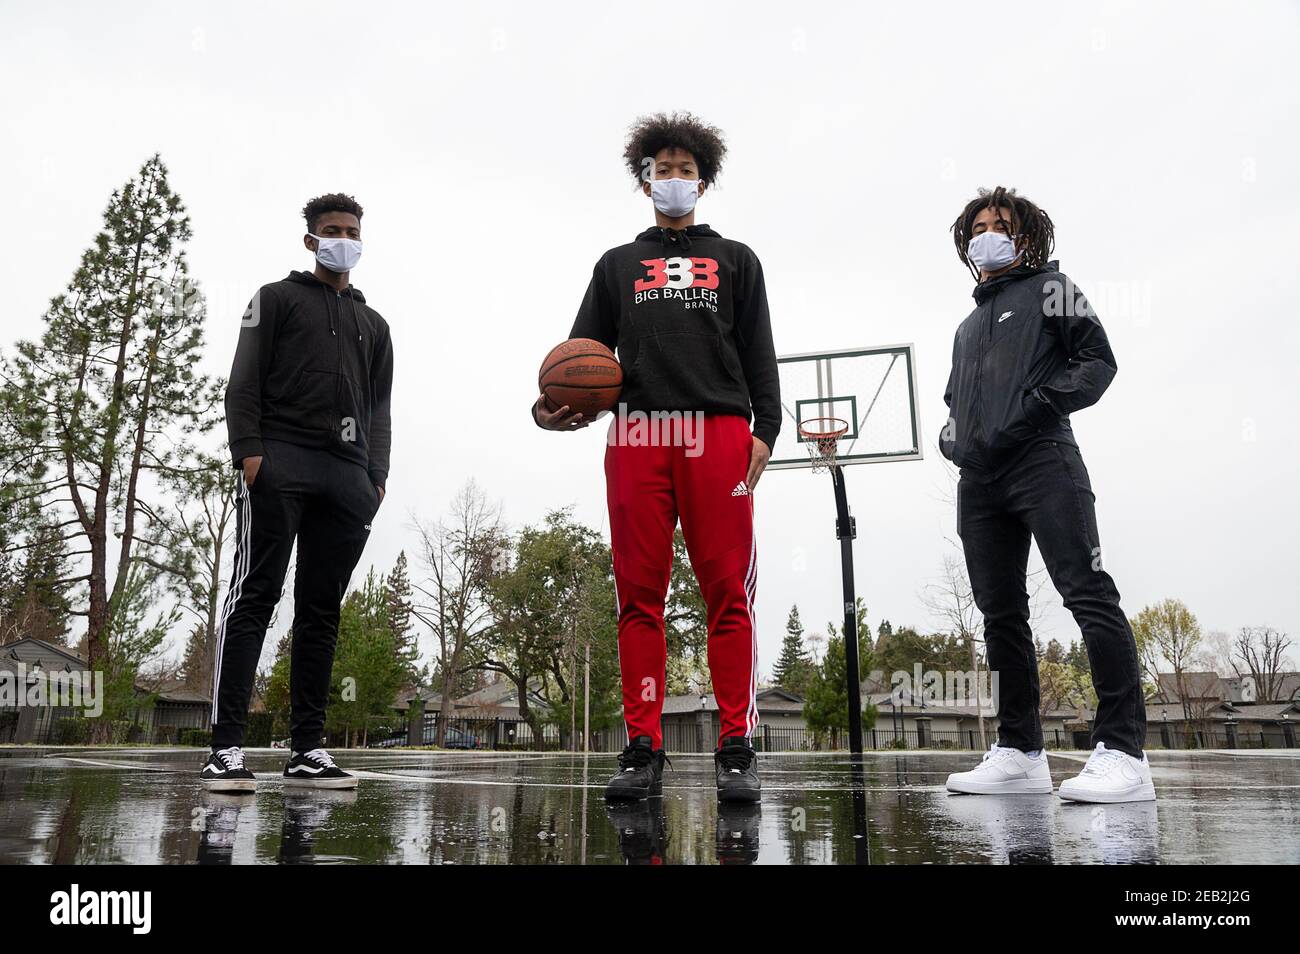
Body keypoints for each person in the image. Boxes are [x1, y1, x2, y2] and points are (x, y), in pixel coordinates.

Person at [533, 112, 780, 803]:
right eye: (662, 168)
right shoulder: (616, 264)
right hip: (639, 435)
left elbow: (760, 353)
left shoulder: (738, 260)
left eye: (685, 168)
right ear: (645, 181)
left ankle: (735, 744)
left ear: (704, 178)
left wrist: (769, 429)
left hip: (720, 434)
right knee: (638, 598)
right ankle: (643, 747)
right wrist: (550, 410)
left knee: (728, 595)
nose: (674, 178)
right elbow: (577, 362)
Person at [939, 186, 1153, 803]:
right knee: (999, 615)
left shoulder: (1054, 290)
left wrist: (1033, 409)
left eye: (999, 224)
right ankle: (1019, 751)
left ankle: (1123, 752)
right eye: (978, 225)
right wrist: (954, 439)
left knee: (1086, 593)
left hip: (1043, 461)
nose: (988, 233)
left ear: (1025, 235)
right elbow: (955, 401)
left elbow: (1097, 362)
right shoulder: (967, 324)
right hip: (980, 482)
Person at [202, 193, 393, 793]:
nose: (344, 239)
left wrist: (376, 477)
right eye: (332, 230)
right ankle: (226, 748)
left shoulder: (375, 326)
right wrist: (250, 454)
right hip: (280, 461)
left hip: (349, 477)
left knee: (320, 613)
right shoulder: (275, 300)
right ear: (311, 240)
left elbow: (380, 409)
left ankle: (307, 749)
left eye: (352, 230)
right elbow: (244, 381)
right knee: (257, 594)